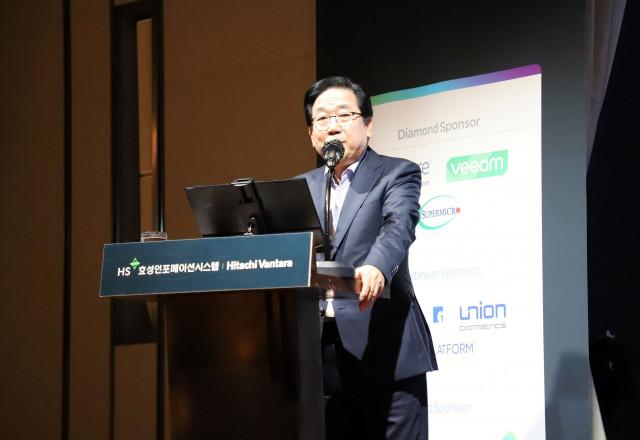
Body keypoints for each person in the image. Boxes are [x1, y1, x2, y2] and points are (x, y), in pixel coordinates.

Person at [297, 76, 438, 439]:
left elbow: (398, 226)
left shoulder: (396, 173)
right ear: (311, 134)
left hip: (386, 347)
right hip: (322, 356)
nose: (332, 126)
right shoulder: (301, 187)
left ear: (368, 125)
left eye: (344, 115)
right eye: (322, 118)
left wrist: (376, 265)